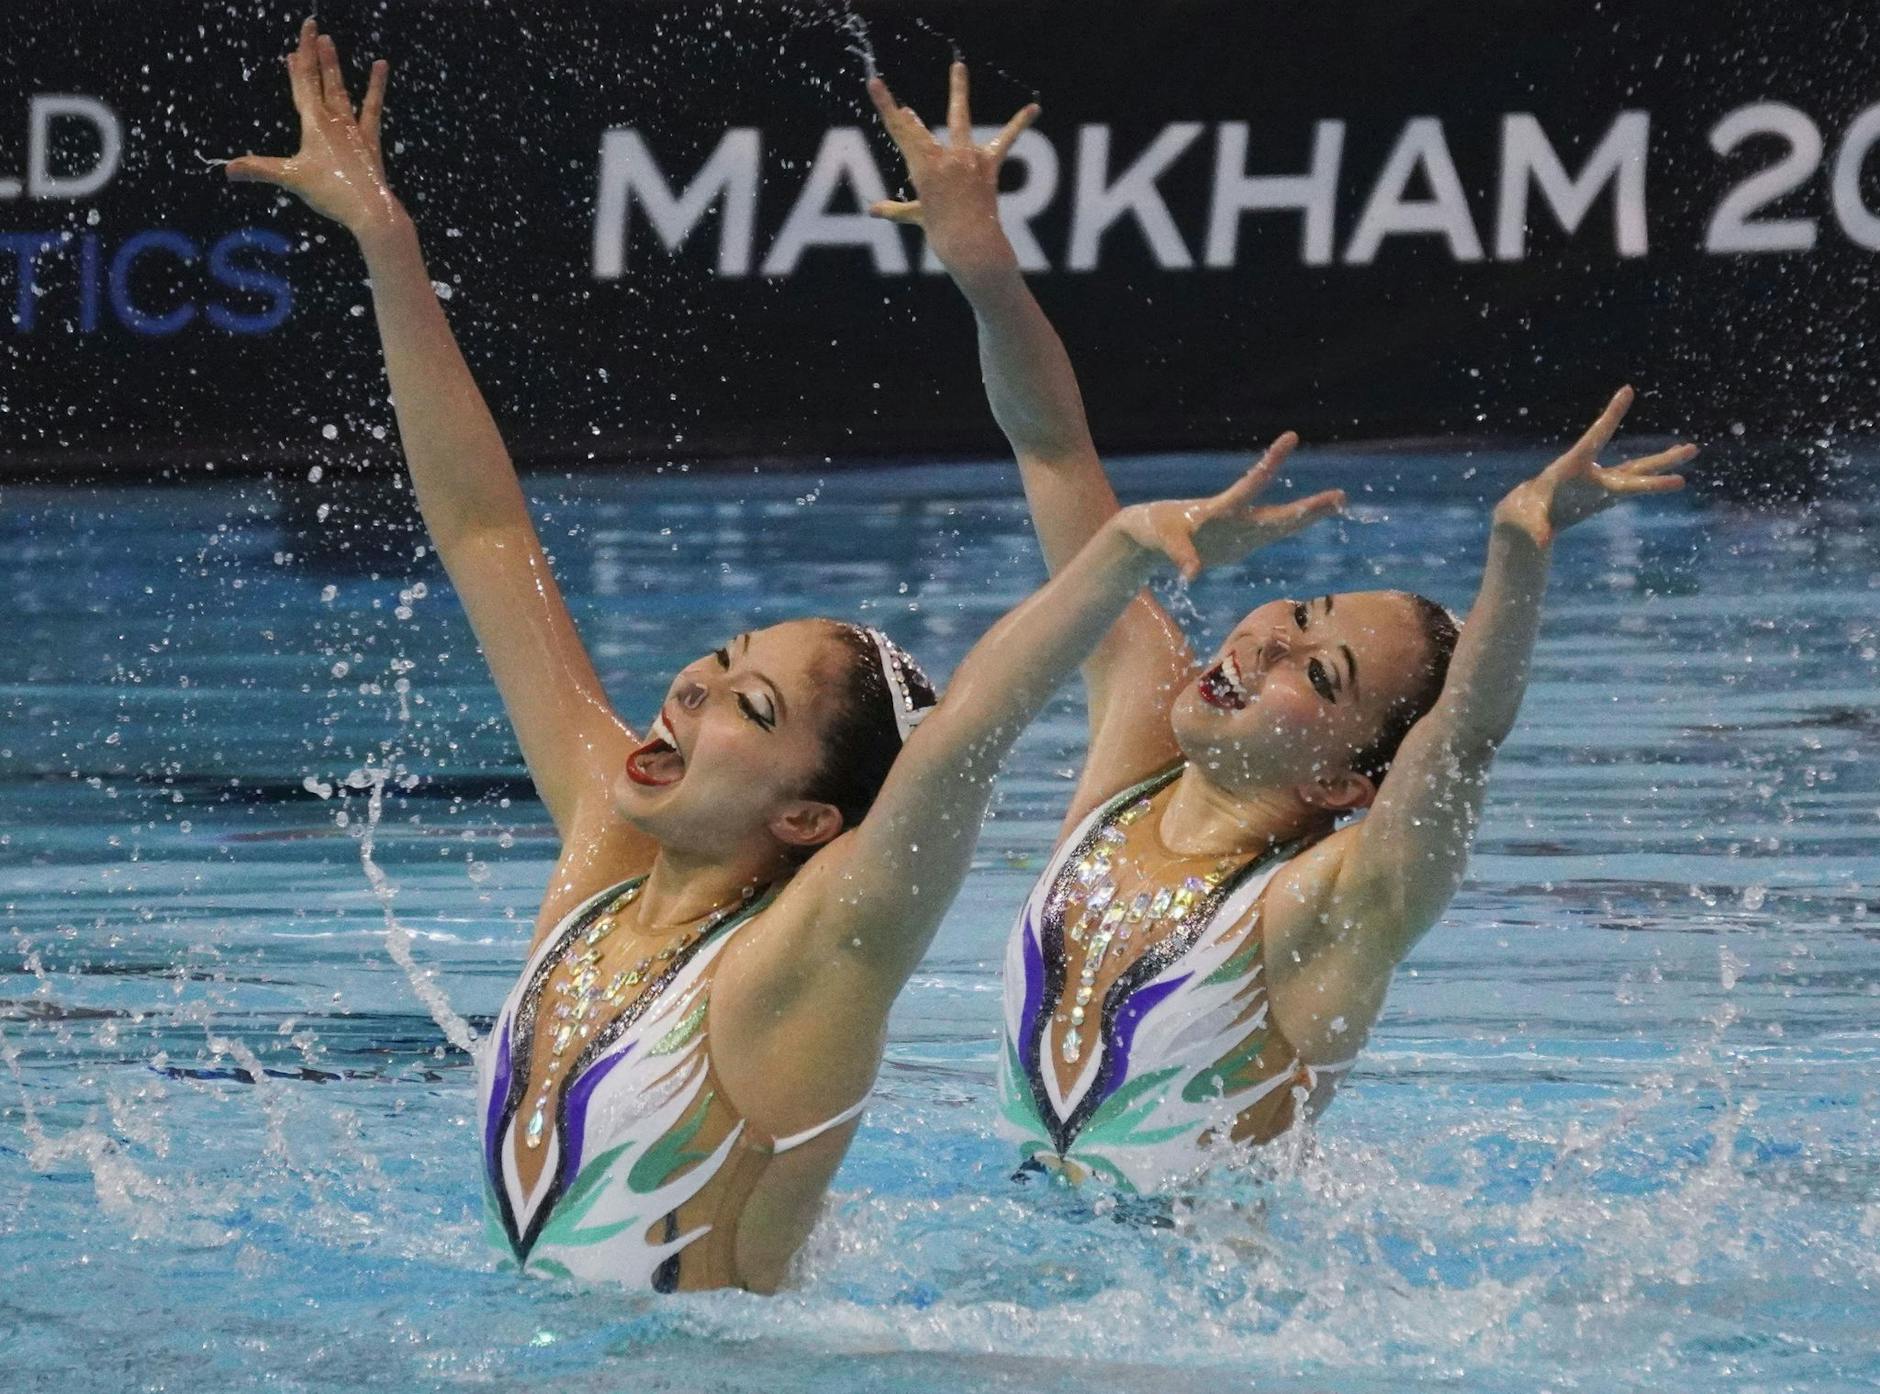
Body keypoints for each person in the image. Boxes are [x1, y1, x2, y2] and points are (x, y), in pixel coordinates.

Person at [226, 23, 1342, 1290]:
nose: (691, 689)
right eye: (712, 663)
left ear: (812, 814)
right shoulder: (604, 848)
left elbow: (971, 724)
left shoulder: (808, 959)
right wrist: (387, 242)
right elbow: (484, 530)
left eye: (746, 705)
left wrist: (1130, 548)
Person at [868, 63, 1698, 1192]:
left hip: (1196, 1322)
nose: (1262, 645)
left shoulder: (1330, 909)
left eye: (1323, 669)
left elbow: (1460, 739)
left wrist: (1518, 549)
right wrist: (982, 270)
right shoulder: (1131, 757)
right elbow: (1054, 451)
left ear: (1343, 784)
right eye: (1296, 614)